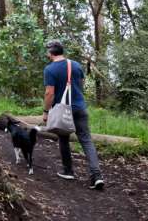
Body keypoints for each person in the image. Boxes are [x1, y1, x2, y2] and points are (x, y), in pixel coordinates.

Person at [43, 40, 104, 190]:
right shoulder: (75, 65)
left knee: (63, 137)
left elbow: (49, 93)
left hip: (63, 109)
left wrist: (46, 111)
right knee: (86, 140)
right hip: (80, 108)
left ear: (50, 53)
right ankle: (96, 176)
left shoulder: (50, 69)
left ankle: (68, 171)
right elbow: (81, 82)